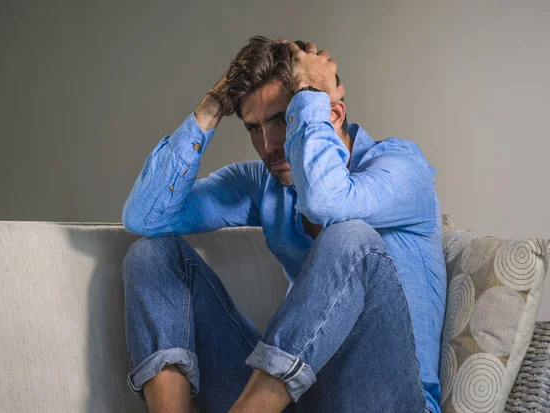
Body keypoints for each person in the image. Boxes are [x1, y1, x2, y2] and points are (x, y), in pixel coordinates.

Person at [121, 35, 446, 413]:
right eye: (254, 128)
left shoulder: (403, 170)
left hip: (387, 401)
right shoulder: (265, 184)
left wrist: (310, 93)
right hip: (298, 401)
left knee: (350, 236)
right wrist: (212, 106)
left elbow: (328, 202)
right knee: (152, 256)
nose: (269, 144)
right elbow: (145, 216)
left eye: (282, 120)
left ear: (333, 114)